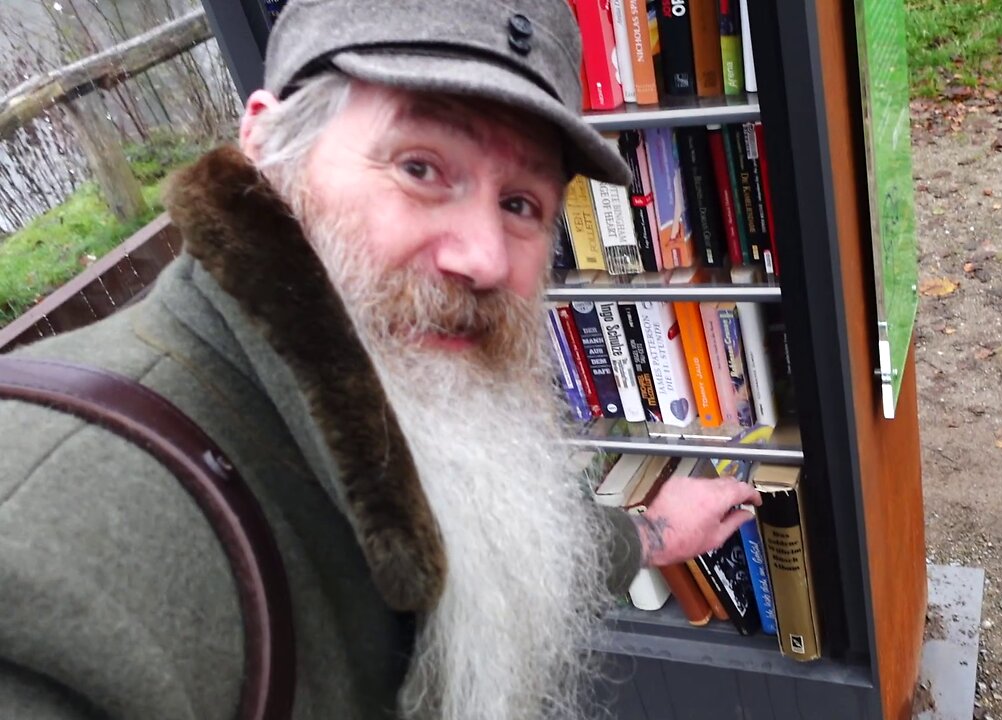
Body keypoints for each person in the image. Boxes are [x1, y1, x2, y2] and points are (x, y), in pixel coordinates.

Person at [0, 1, 762, 719]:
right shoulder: (56, 543)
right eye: (421, 168)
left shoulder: (388, 390)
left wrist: (652, 534)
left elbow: (483, 552)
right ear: (267, 147)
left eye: (521, 204)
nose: (486, 257)